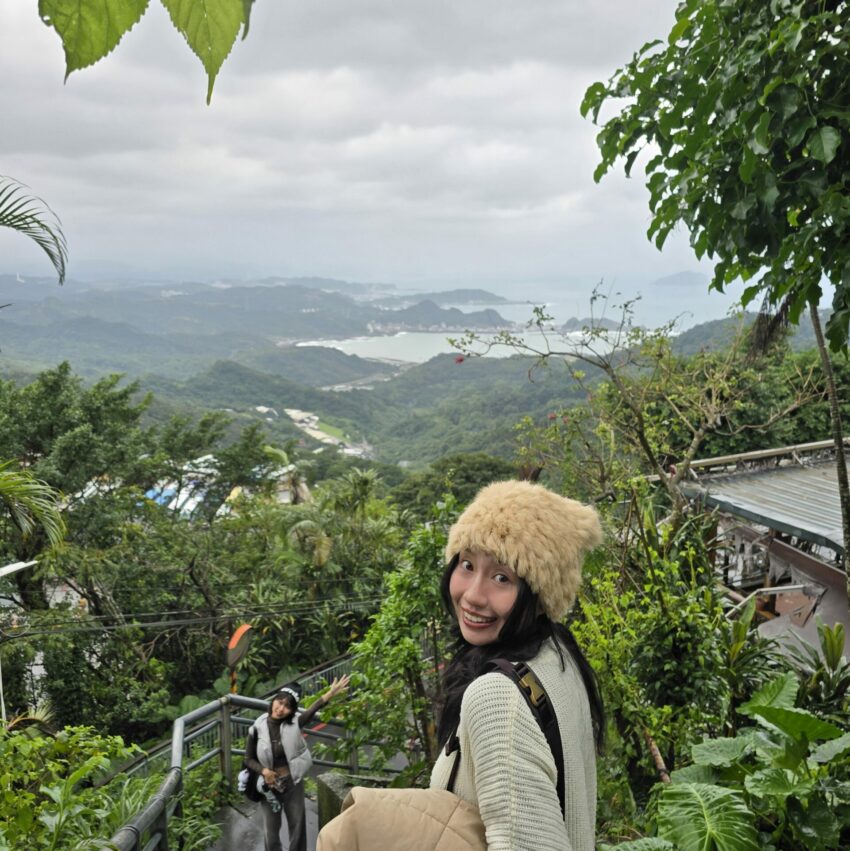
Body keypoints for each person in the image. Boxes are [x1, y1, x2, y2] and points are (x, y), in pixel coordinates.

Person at [429, 480, 605, 851]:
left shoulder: (498, 698)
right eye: (466, 564)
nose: (473, 596)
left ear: (540, 596)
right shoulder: (557, 656)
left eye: (501, 577)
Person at [245, 675, 350, 851]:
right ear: (274, 701)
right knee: (270, 834)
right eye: (279, 702)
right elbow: (248, 759)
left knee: (298, 827)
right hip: (269, 785)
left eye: (287, 706)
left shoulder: (295, 723)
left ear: (292, 710)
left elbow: (313, 709)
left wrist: (330, 694)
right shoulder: (256, 728)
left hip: (292, 783)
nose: (281, 709)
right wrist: (264, 771)